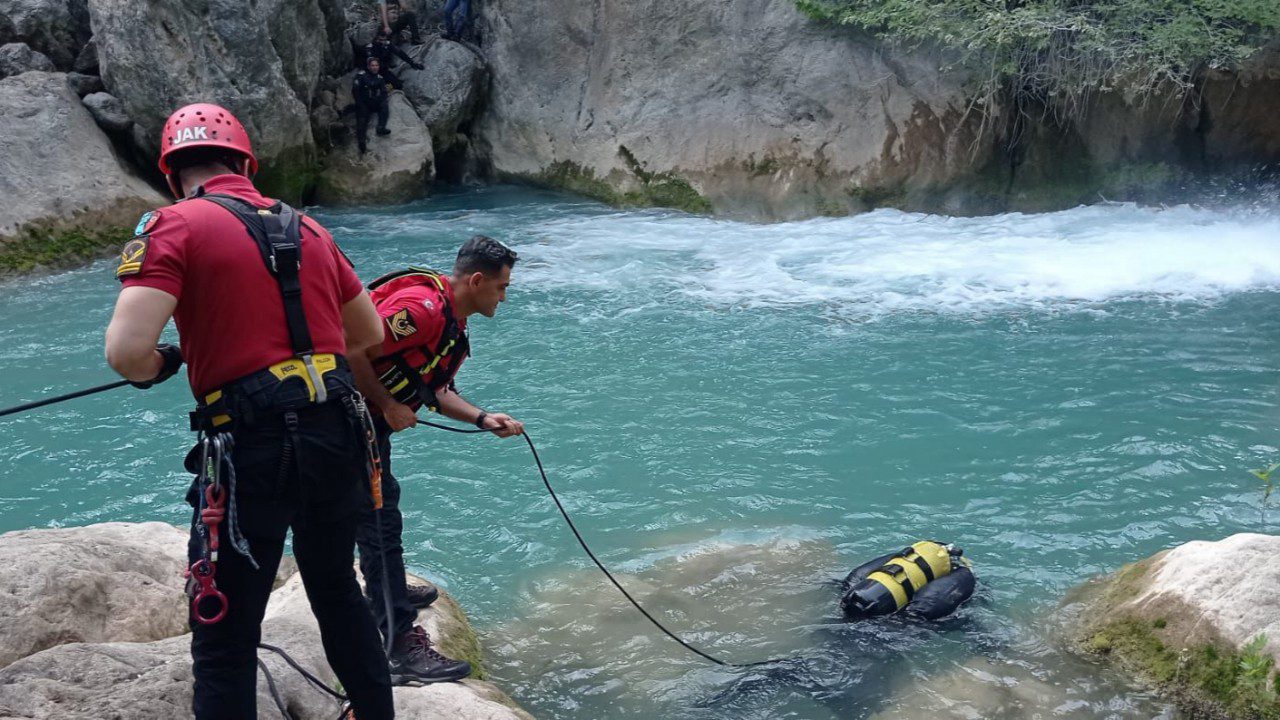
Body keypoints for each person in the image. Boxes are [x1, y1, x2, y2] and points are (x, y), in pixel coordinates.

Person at [103, 102, 395, 720]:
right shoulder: (311, 229)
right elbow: (367, 332)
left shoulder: (172, 224)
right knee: (338, 591)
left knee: (225, 634)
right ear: (244, 163)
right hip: (336, 430)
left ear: (172, 172)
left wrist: (163, 364)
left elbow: (127, 353)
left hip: (250, 448)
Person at [347, 236, 524, 685]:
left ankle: (387, 591)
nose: (504, 296)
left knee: (384, 511)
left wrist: (483, 418)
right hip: (344, 419)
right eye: (501, 287)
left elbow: (434, 389)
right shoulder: (422, 311)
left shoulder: (453, 321)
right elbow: (350, 350)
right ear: (477, 280)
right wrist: (387, 404)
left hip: (368, 421)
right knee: (379, 520)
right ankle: (399, 646)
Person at [353, 56, 393, 155]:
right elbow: (355, 91)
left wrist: (380, 100)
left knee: (384, 106)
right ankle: (362, 143)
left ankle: (381, 127)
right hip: (363, 103)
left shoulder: (380, 78)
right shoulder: (361, 76)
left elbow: (384, 92)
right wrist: (360, 104)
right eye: (372, 65)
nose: (375, 67)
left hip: (374, 101)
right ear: (368, 66)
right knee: (362, 121)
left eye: (376, 65)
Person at [353, 29, 423, 74]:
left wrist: (412, 63)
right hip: (372, 69)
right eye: (380, 40)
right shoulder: (370, 48)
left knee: (398, 84)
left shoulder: (387, 44)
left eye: (384, 40)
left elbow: (400, 53)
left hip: (383, 68)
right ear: (376, 39)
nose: (382, 42)